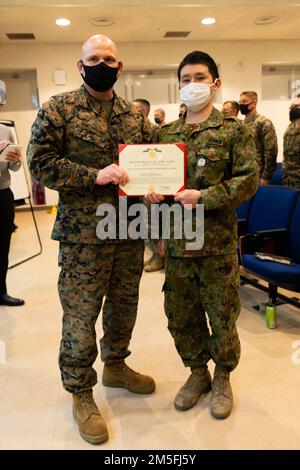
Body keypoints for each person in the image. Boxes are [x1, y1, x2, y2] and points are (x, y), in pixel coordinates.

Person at [27, 34, 155, 446]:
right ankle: (81, 391)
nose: (102, 63)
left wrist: (156, 185)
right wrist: (91, 176)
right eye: (94, 58)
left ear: (120, 66)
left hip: (128, 230)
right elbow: (39, 161)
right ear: (81, 66)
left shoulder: (134, 116)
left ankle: (116, 365)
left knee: (124, 306)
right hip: (83, 236)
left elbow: (156, 158)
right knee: (80, 318)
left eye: (110, 58)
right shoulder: (58, 110)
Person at [146, 51, 258, 419]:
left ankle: (223, 376)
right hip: (178, 245)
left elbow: (247, 181)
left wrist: (205, 197)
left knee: (222, 314)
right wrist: (153, 195)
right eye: (185, 79)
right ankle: (197, 374)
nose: (192, 85)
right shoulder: (166, 134)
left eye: (199, 77)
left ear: (215, 83)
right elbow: (158, 187)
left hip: (216, 244)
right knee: (180, 315)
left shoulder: (233, 132)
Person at [0, 125, 25, 307]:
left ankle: (1, 292)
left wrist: (15, 160)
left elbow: (14, 167)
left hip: (2, 193)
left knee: (3, 246)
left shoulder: (4, 130)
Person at [239, 91, 277, 185]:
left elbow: (271, 151)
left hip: (258, 175)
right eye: (240, 102)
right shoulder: (241, 124)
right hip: (242, 174)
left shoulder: (264, 122)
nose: (241, 105)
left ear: (253, 104)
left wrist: (265, 177)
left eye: (244, 102)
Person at [282, 96, 300, 188]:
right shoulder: (290, 127)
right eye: (291, 106)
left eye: (296, 106)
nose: (292, 109)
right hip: (288, 180)